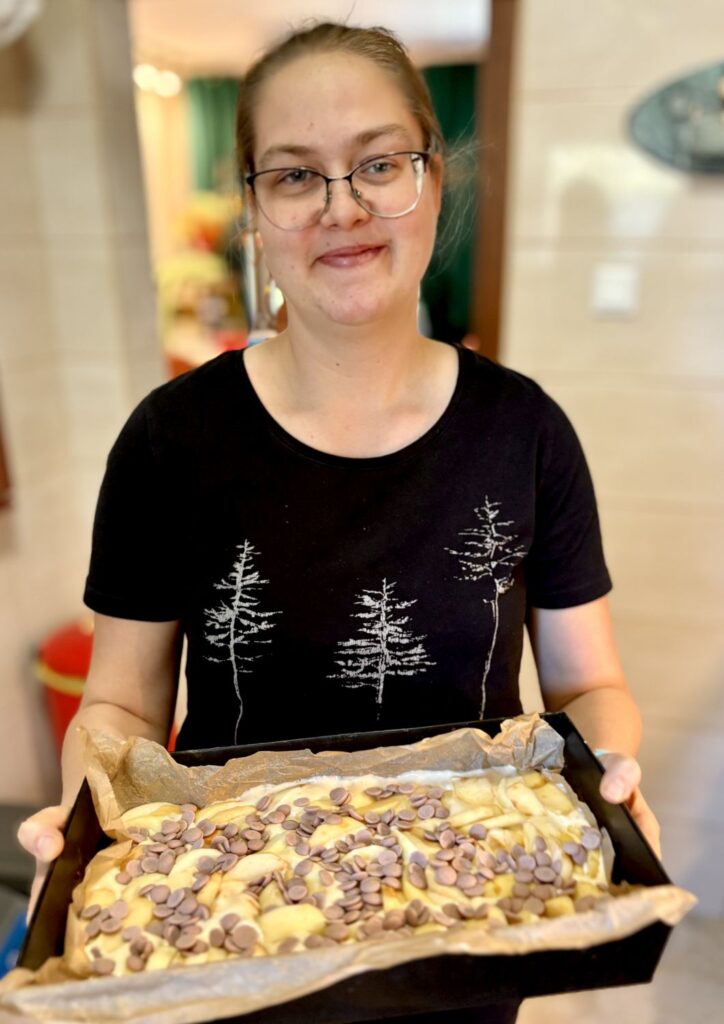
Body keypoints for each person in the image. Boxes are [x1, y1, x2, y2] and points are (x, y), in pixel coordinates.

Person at [17, 21, 660, 1023]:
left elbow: (587, 684)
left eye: (379, 163)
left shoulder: (525, 431)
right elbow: (122, 709)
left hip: (464, 916)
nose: (341, 206)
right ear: (254, 210)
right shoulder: (169, 441)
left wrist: (607, 776)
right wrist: (83, 817)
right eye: (294, 175)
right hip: (230, 926)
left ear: (433, 179)